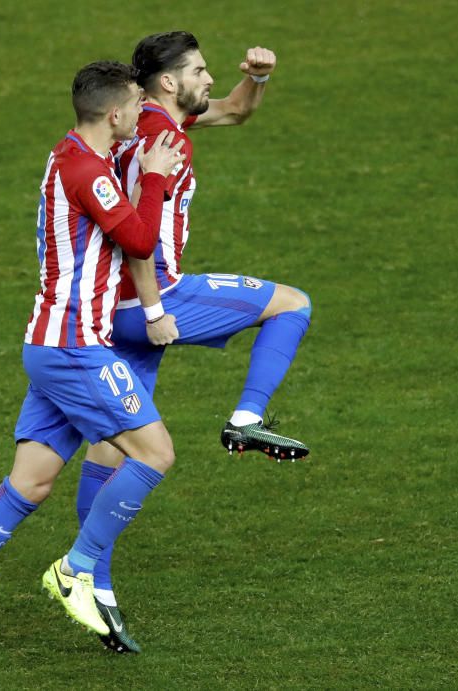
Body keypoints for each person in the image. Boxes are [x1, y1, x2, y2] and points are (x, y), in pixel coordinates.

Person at [0, 60, 185, 666]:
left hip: (52, 345)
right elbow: (139, 241)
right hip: (75, 346)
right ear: (114, 114)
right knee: (155, 453)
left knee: (30, 481)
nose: (142, 113)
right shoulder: (88, 169)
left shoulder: (75, 153)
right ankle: (75, 570)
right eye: (136, 104)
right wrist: (155, 179)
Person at [75, 32, 312, 653]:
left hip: (108, 310)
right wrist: (155, 307)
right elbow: (140, 237)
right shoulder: (164, 140)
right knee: (291, 304)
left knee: (111, 449)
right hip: (155, 298)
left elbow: (236, 108)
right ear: (170, 83)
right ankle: (245, 418)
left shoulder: (144, 123)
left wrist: (257, 77)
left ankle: (94, 590)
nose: (211, 79)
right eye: (201, 71)